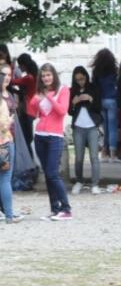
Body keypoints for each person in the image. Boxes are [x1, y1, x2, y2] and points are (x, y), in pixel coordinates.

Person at [30, 63, 73, 220]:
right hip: (40, 135)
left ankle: (66, 209)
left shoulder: (63, 90)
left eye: (48, 75)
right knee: (48, 175)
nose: (46, 78)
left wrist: (48, 97)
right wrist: (35, 100)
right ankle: (55, 209)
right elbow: (33, 112)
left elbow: (62, 111)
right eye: (43, 76)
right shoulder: (40, 91)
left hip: (55, 136)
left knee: (53, 173)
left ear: (54, 75)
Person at [68, 66, 103, 194]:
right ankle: (79, 181)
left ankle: (95, 184)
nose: (80, 82)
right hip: (78, 127)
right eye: (77, 80)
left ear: (86, 77)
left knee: (94, 156)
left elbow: (98, 108)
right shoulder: (72, 90)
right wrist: (74, 103)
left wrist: (90, 98)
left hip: (92, 126)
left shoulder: (94, 88)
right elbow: (69, 112)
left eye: (82, 79)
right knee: (78, 157)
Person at [0, 62, 20, 223]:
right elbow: (4, 125)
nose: (6, 78)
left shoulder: (10, 95)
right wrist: (9, 121)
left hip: (8, 139)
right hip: (4, 141)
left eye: (9, 74)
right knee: (5, 179)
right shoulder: (2, 101)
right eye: (3, 75)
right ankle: (9, 215)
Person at [91, 49, 118, 162]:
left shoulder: (96, 71)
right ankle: (113, 155)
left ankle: (104, 153)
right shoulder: (114, 70)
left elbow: (94, 86)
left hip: (101, 100)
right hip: (112, 100)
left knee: (105, 128)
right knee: (112, 128)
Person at [10, 53, 37, 155]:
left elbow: (11, 81)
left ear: (24, 65)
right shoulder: (34, 76)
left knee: (26, 138)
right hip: (32, 110)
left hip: (27, 110)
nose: (19, 68)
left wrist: (12, 66)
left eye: (19, 65)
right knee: (27, 137)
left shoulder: (28, 78)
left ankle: (30, 161)